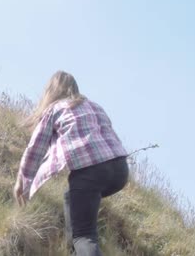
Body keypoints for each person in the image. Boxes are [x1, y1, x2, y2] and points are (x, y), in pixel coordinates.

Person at [14, 71, 129, 256]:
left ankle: (77, 245)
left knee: (84, 235)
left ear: (51, 91)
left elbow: (36, 148)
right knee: (73, 198)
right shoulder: (95, 106)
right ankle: (74, 250)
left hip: (91, 170)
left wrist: (22, 181)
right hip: (120, 169)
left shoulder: (55, 109)